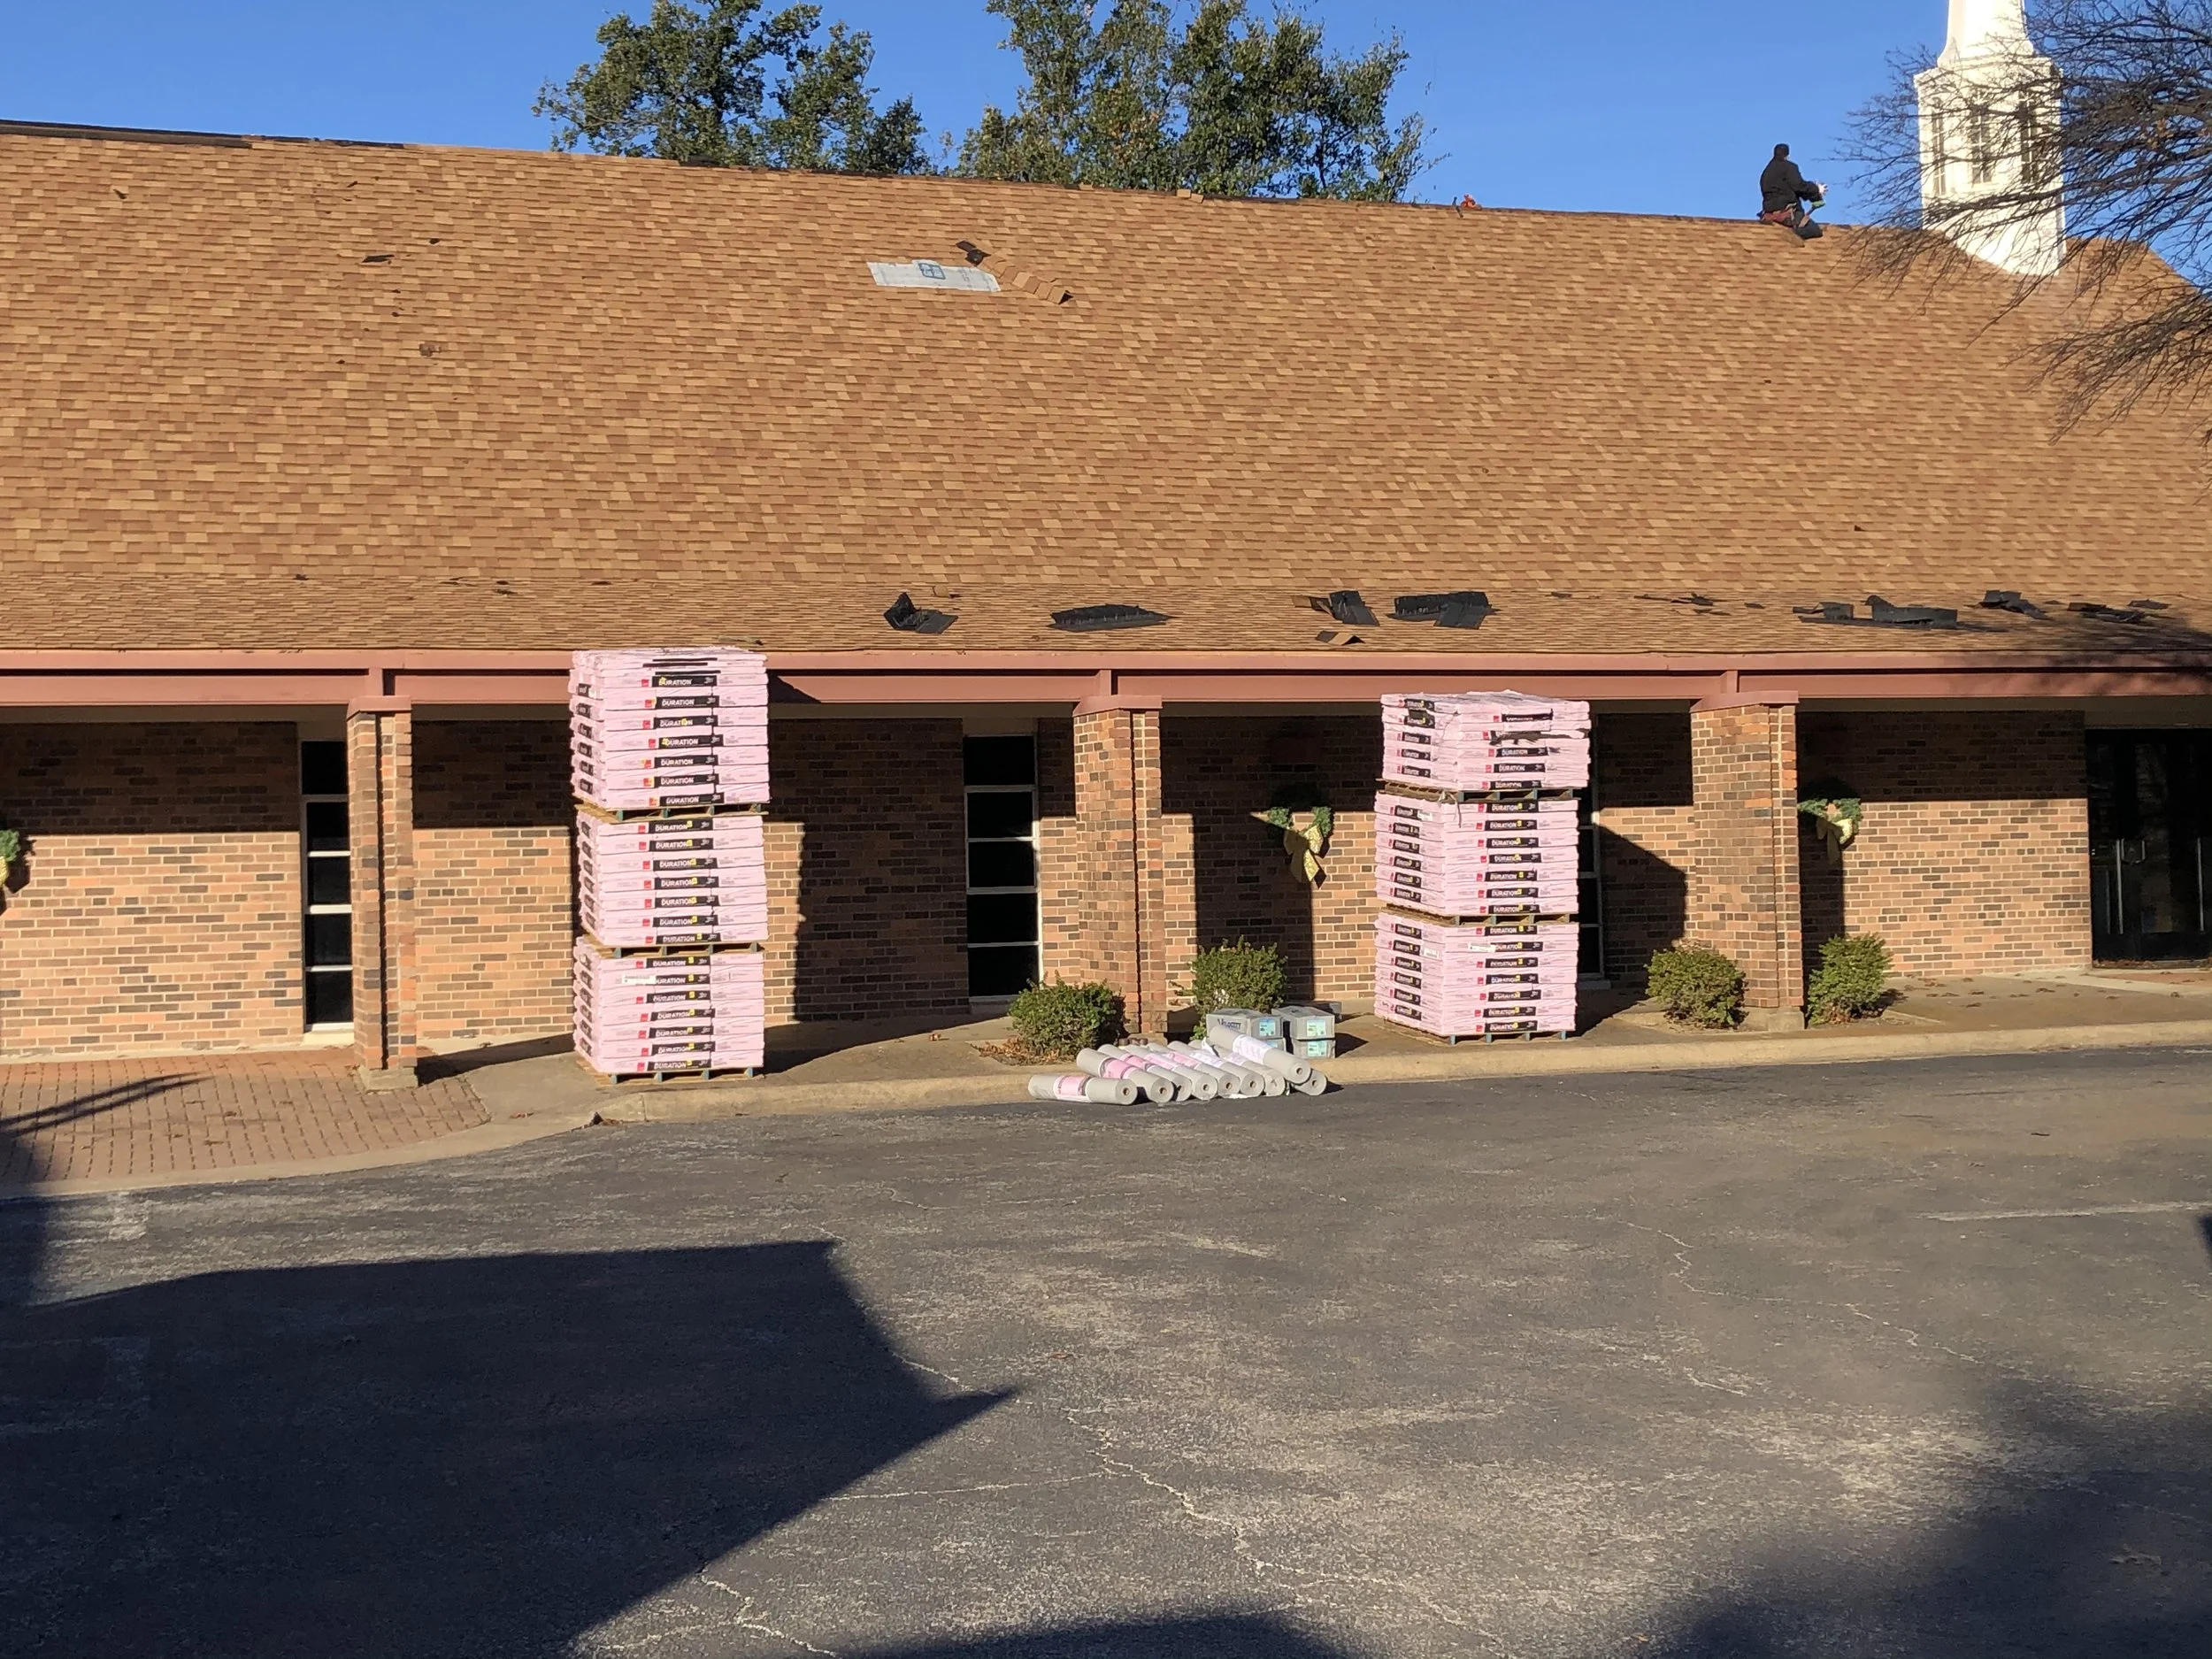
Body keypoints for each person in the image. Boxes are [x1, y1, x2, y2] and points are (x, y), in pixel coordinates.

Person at [1759, 143, 1825, 239]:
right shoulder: (1789, 167)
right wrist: (1816, 191)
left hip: (1769, 213)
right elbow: (1799, 186)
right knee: (1815, 230)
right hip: (1787, 213)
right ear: (1787, 155)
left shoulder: (1767, 172)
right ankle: (1795, 235)